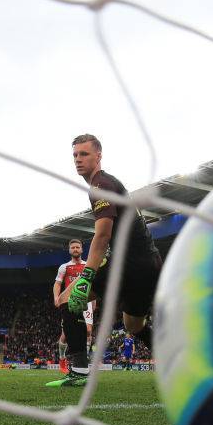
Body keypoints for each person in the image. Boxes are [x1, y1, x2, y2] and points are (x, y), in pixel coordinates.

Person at [49, 134, 162, 387]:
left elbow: (102, 235)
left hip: (132, 264)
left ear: (99, 155)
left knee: (69, 297)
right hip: (146, 264)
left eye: (84, 154)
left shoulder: (100, 184)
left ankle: (78, 370)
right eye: (75, 155)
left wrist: (86, 276)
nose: (78, 160)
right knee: (133, 325)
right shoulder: (106, 184)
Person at [52, 239, 95, 373]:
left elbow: (93, 283)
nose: (75, 249)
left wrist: (94, 302)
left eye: (78, 247)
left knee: (88, 331)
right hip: (70, 302)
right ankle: (62, 358)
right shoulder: (64, 267)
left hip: (86, 301)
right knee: (66, 334)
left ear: (82, 250)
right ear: (69, 250)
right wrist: (56, 297)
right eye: (73, 247)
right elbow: (58, 283)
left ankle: (84, 361)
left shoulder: (88, 265)